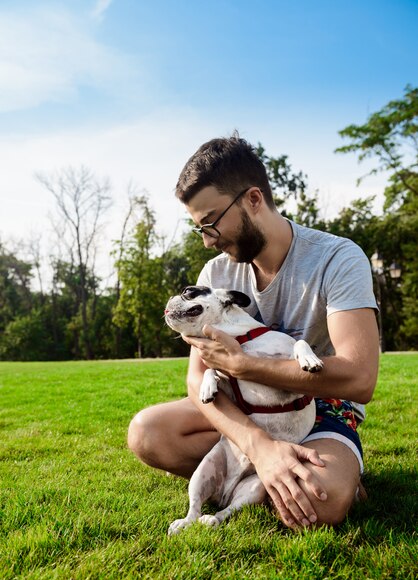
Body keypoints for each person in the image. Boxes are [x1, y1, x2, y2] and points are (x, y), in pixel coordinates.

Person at [128, 134, 379, 529]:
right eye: (200, 229)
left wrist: (245, 365)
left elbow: (360, 379)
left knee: (322, 502)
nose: (208, 241)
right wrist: (258, 446)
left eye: (211, 223)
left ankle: (322, 471)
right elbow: (197, 379)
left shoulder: (337, 258)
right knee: (147, 434)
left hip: (318, 408)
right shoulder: (216, 275)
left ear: (254, 200)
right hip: (241, 405)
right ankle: (267, 469)